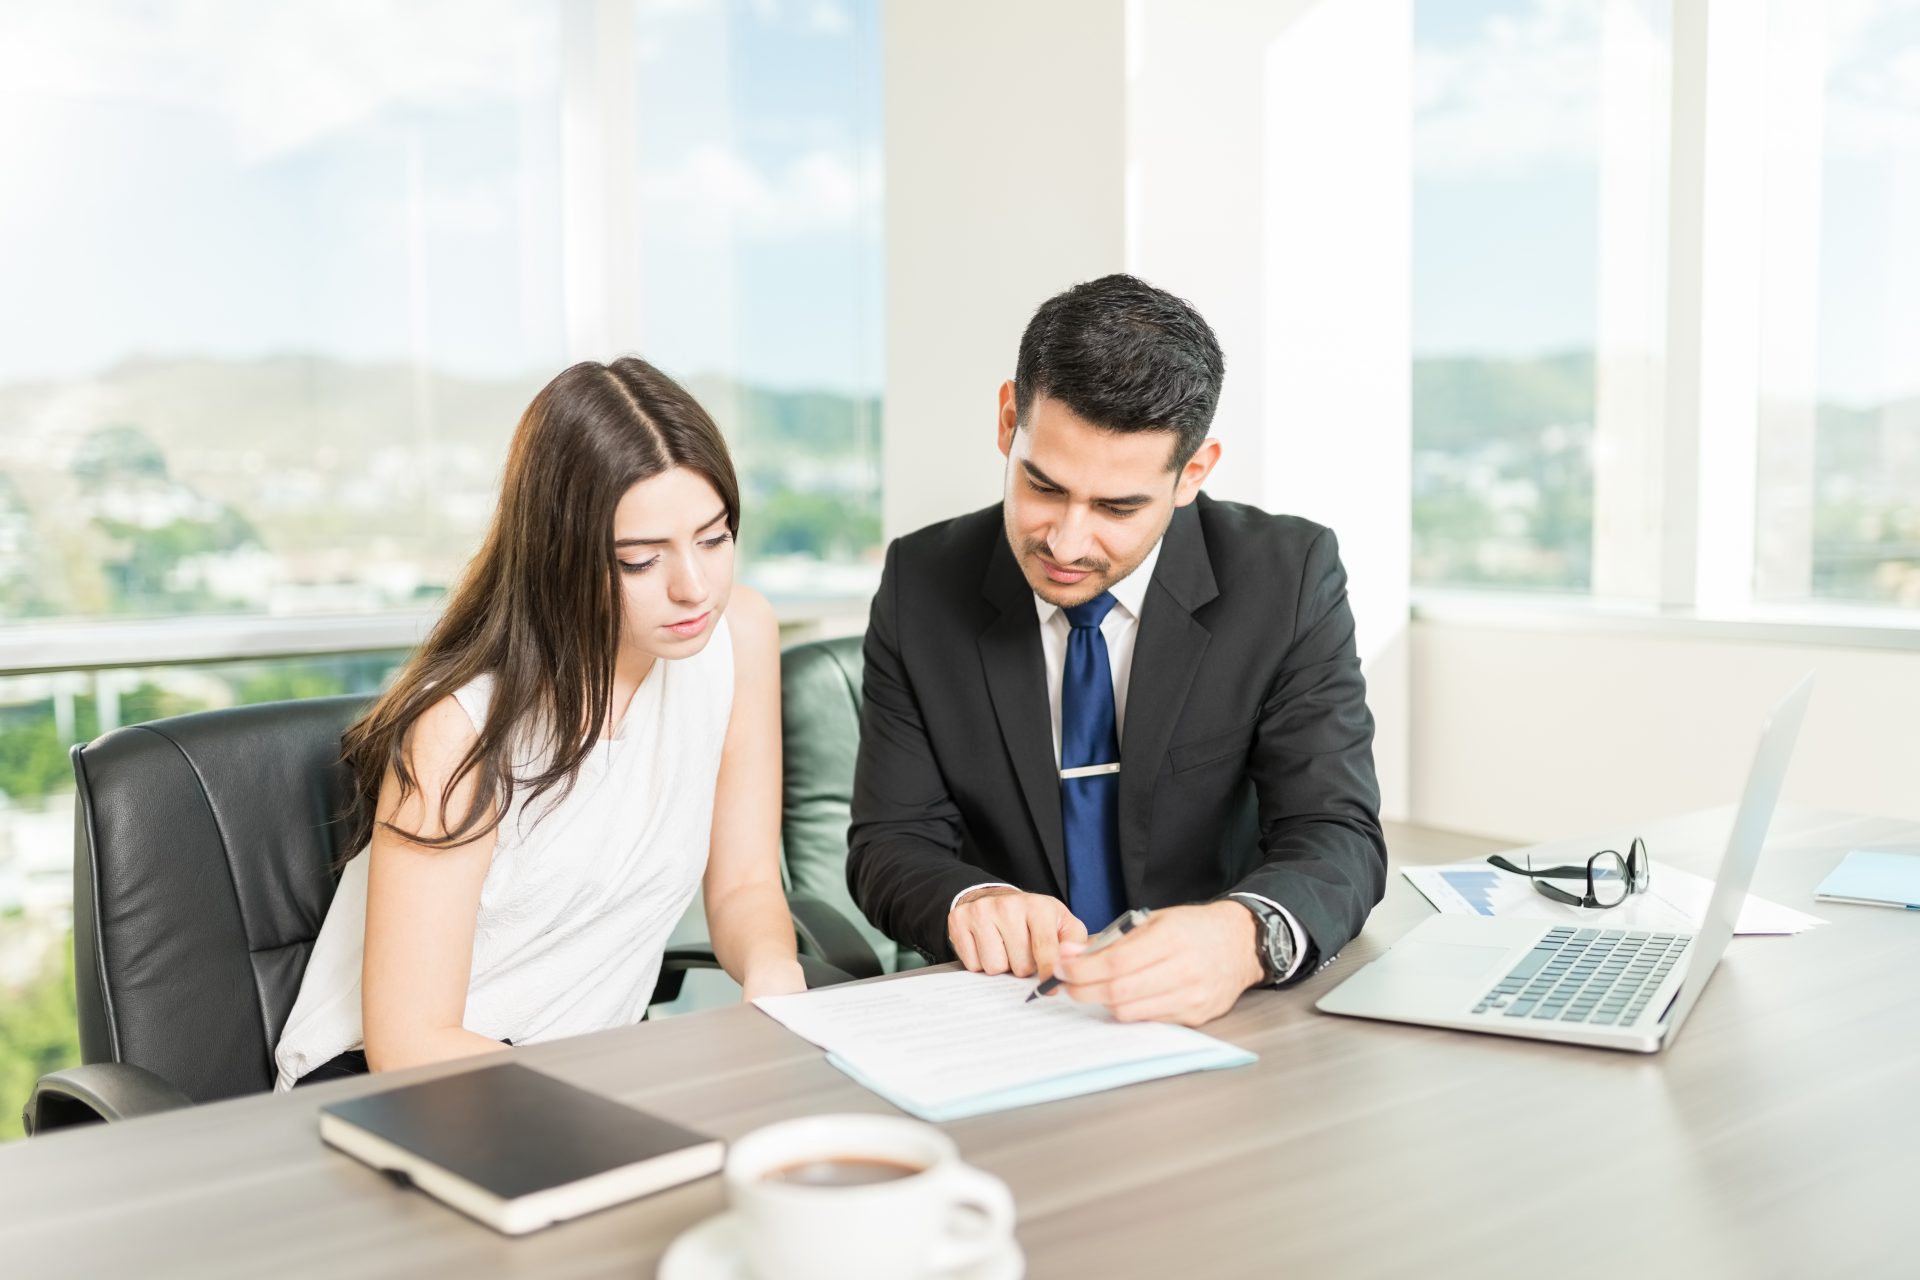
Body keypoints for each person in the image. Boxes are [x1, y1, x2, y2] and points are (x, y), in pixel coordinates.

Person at [847, 274, 1387, 1027]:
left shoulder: (1285, 579)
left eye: (1117, 508)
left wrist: (1242, 937)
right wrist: (974, 901)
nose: (1066, 543)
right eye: (1042, 486)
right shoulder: (920, 582)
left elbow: (1337, 832)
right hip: (1012, 1017)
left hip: (1224, 1016)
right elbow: (891, 842)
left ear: (1192, 473)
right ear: (1010, 419)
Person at [273, 357, 806, 1089]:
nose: (694, 588)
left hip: (583, 1077)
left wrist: (775, 976)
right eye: (641, 560)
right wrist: (613, 1103)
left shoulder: (739, 636)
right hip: (401, 1087)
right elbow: (410, 1041)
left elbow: (744, 883)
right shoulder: (459, 730)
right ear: (561, 557)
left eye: (713, 539)